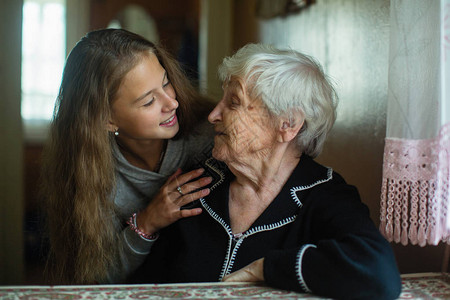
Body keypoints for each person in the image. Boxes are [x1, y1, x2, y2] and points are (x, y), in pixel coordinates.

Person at [134, 44, 402, 299]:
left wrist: (265, 269)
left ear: (287, 123)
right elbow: (142, 287)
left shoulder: (324, 194)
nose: (214, 114)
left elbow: (379, 274)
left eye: (234, 102)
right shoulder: (197, 185)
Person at [41, 28, 216, 284]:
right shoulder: (88, 175)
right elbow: (96, 280)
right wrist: (146, 222)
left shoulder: (208, 136)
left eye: (166, 82)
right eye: (148, 102)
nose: (172, 103)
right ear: (107, 120)